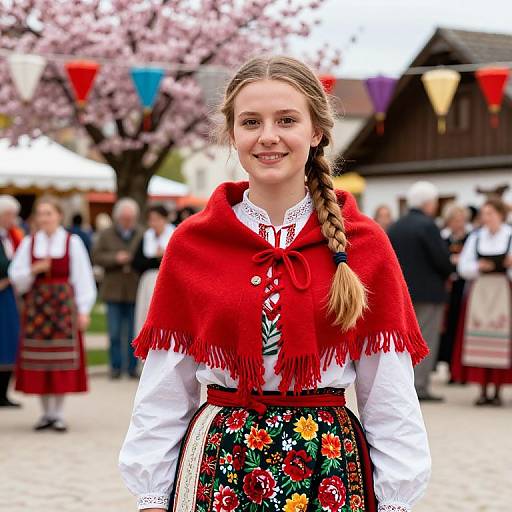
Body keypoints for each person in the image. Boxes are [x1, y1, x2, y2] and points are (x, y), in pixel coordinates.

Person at [119, 56, 431, 512]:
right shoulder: (193, 243)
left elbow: (389, 392)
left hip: (326, 465)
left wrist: (397, 498)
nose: (268, 136)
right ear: (232, 134)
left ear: (317, 131)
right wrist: (150, 494)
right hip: (219, 462)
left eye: (287, 120)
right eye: (251, 122)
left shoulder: (363, 243)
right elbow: (165, 385)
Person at [8, 196, 96, 431]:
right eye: (41, 214)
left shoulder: (72, 242)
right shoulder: (29, 242)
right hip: (37, 309)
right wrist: (34, 269)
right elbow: (16, 276)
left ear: (59, 215)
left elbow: (83, 277)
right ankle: (45, 413)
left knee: (61, 361)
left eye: (49, 213)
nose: (44, 218)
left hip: (62, 309)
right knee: (39, 362)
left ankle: (57, 413)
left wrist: (84, 309)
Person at [388, 182, 452, 401]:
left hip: (401, 292)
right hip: (428, 293)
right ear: (428, 203)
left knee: (404, 342)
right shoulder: (428, 226)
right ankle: (420, 387)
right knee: (425, 340)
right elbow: (442, 260)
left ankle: (403, 386)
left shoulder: (396, 225)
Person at [452, 197, 512, 406]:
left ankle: (497, 389)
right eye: (484, 214)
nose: (486, 218)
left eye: (490, 213)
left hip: (503, 290)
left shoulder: (510, 236)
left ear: (500, 215)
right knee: (477, 337)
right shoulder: (476, 237)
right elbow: (463, 268)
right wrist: (479, 267)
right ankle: (482, 388)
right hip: (480, 290)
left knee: (501, 338)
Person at [93, 198, 143, 379]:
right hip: (112, 289)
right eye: (124, 218)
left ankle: (131, 367)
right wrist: (115, 258)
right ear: (118, 217)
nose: (128, 221)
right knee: (114, 332)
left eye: (131, 218)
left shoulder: (141, 233)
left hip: (133, 289)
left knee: (132, 332)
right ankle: (115, 366)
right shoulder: (106, 234)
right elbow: (96, 256)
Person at [437, 203, 470, 383]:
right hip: (447, 287)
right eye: (456, 220)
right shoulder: (443, 238)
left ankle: (460, 371)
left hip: (463, 287)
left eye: (462, 220)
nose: (460, 223)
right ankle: (449, 367)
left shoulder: (470, 237)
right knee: (447, 328)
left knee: (461, 328)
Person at [133, 205, 175, 335]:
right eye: (151, 220)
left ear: (165, 219)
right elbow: (137, 262)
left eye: (157, 219)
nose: (154, 223)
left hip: (169, 282)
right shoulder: (146, 237)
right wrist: (156, 259)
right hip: (148, 281)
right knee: (145, 314)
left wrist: (163, 256)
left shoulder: (174, 235)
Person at [0, 195, 24, 407]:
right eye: (10, 215)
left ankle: (3, 392)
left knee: (9, 341)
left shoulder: (12, 237)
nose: (13, 220)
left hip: (8, 295)